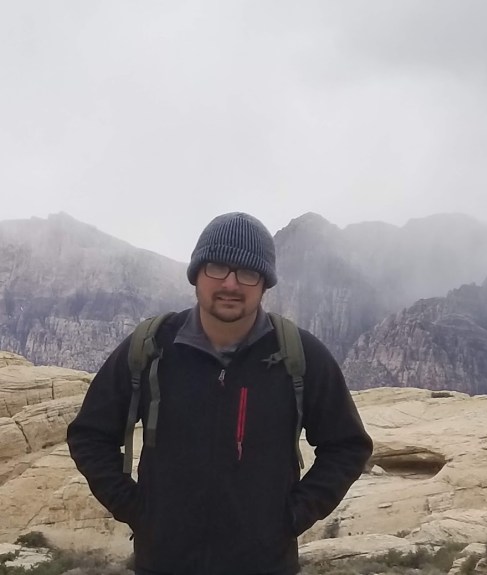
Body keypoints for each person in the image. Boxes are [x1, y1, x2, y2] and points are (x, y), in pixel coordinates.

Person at [66, 212, 373, 575]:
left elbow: (348, 445)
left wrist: (291, 516)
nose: (230, 283)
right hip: (164, 563)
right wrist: (138, 510)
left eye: (247, 272)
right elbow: (89, 435)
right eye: (217, 267)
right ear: (196, 273)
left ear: (264, 283)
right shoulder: (152, 347)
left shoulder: (299, 355)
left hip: (265, 565)